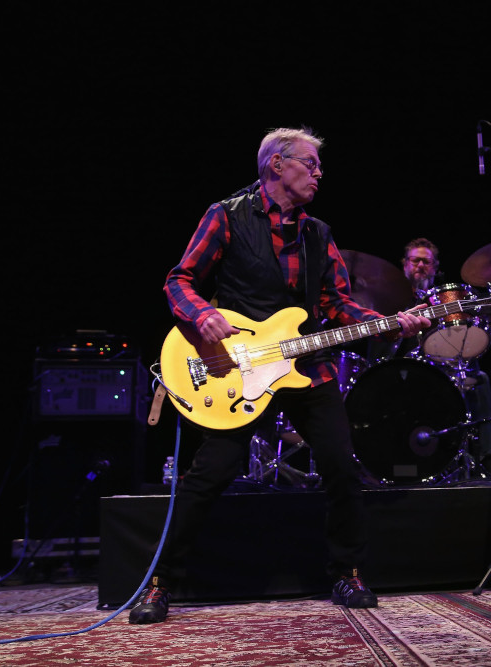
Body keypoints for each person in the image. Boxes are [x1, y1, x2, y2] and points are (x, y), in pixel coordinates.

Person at [129, 127, 431, 624]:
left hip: (307, 367)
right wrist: (202, 314)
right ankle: (160, 582)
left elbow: (335, 304)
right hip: (237, 367)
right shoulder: (225, 215)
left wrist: (392, 325)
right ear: (276, 165)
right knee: (212, 472)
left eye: (318, 166)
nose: (318, 173)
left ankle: (347, 572)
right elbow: (178, 280)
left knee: (340, 463)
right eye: (309, 164)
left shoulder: (319, 233)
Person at [367, 238, 491, 464]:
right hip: (400, 370)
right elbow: (378, 350)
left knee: (480, 378)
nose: (420, 266)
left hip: (440, 369)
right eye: (415, 260)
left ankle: (487, 455)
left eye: (426, 262)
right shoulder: (387, 298)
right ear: (404, 264)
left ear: (435, 267)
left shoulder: (442, 301)